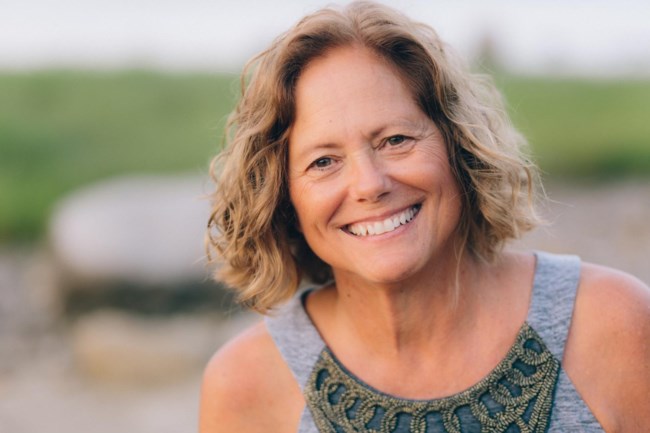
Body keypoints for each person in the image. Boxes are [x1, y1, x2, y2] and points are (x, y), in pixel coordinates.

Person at [199, 2, 650, 432]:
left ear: (459, 146)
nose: (369, 184)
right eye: (323, 162)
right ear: (283, 198)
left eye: (395, 140)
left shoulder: (613, 324)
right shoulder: (245, 385)